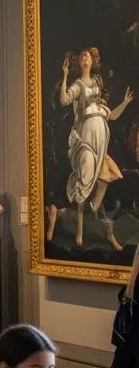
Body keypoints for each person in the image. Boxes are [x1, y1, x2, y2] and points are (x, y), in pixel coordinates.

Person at [60, 47, 132, 247]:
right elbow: (64, 99)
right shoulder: (78, 88)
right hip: (85, 142)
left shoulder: (101, 108)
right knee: (84, 181)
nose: (86, 59)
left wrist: (125, 103)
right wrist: (65, 75)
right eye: (83, 56)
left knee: (105, 178)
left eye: (89, 56)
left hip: (101, 147)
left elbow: (114, 116)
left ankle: (92, 212)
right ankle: (80, 230)